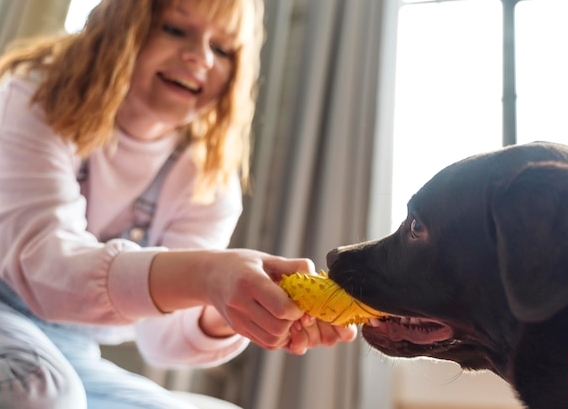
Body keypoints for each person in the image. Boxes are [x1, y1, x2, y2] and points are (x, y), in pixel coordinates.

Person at [0, 0, 357, 408]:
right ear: (119, 25)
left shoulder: (205, 175)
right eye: (175, 29)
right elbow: (46, 269)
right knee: (38, 391)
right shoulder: (34, 98)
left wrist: (233, 306)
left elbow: (162, 338)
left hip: (69, 347)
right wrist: (206, 275)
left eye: (222, 49)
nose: (200, 57)